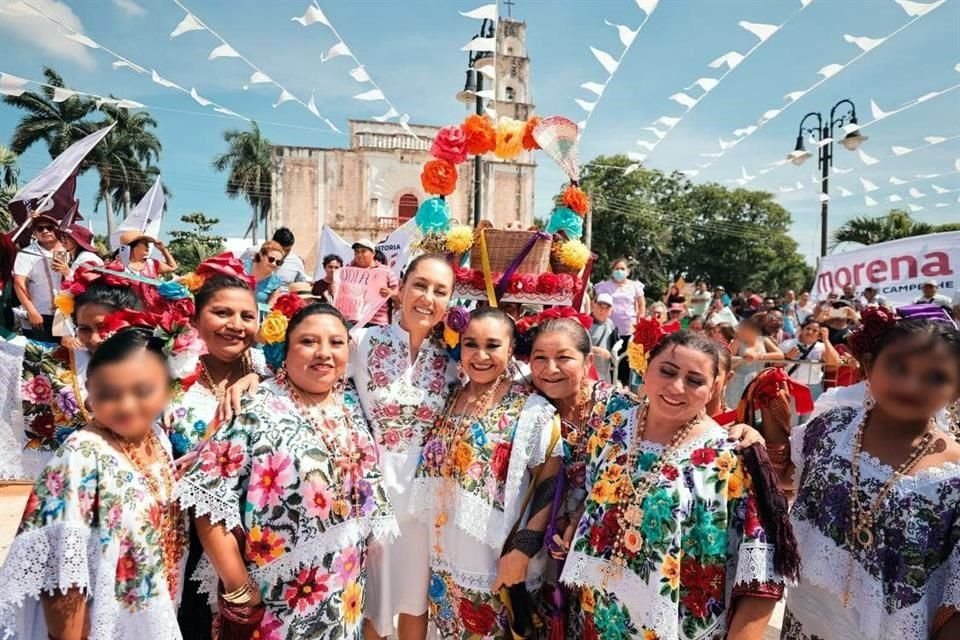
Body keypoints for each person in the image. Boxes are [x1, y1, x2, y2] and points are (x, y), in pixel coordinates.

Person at [175, 303, 396, 640]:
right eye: (308, 341)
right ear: (285, 349)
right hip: (274, 599)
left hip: (345, 592)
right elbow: (207, 503)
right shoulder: (254, 409)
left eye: (336, 343)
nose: (324, 353)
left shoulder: (350, 401)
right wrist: (239, 589)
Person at [561, 331, 791, 639]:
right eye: (667, 371)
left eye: (695, 381)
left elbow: (760, 577)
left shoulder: (730, 458)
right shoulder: (611, 429)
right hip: (596, 619)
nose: (676, 387)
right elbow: (593, 497)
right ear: (645, 369)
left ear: (713, 389)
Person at [782, 309, 960, 639]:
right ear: (868, 365)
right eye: (898, 367)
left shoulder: (954, 479)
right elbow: (788, 479)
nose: (911, 384)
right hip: (804, 621)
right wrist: (751, 441)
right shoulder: (829, 430)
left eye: (935, 376)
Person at [0, 327, 188, 639]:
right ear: (90, 387)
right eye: (110, 391)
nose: (126, 405)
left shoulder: (156, 437)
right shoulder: (80, 457)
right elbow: (62, 573)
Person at [411, 307, 562, 639]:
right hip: (443, 561)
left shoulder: (531, 411)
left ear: (510, 350)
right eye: (471, 344)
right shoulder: (449, 398)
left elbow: (550, 483)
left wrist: (522, 550)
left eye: (492, 345)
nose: (480, 356)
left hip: (496, 568)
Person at [351, 254, 456, 640]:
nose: (428, 298)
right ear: (400, 287)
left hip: (425, 501)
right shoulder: (361, 342)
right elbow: (311, 368)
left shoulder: (451, 361)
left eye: (440, 291)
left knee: (416, 600)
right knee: (370, 599)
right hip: (369, 495)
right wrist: (247, 379)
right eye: (420, 285)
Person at [594, 258, 646, 387]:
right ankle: (608, 384)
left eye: (622, 269)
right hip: (609, 329)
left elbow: (641, 303)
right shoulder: (604, 286)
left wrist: (641, 319)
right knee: (609, 358)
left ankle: (626, 386)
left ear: (628, 271)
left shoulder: (634, 286)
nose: (619, 271)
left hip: (629, 329)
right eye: (617, 269)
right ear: (612, 271)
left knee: (626, 361)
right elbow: (595, 302)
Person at [13, 214, 64, 342]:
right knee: (42, 356)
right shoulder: (27, 254)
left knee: (65, 356)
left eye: (49, 227)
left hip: (65, 314)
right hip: (39, 314)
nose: (45, 231)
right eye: (40, 229)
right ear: (34, 233)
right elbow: (19, 283)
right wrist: (31, 311)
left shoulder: (68, 250)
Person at [726, 317, 783, 407]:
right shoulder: (738, 342)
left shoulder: (764, 340)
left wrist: (760, 356)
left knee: (754, 410)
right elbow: (728, 360)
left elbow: (780, 354)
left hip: (757, 380)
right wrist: (743, 359)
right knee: (736, 408)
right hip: (738, 382)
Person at [780, 318, 839, 404]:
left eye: (815, 330)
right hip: (791, 386)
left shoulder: (822, 347)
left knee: (810, 417)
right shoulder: (787, 344)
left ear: (819, 335)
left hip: (813, 388)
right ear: (802, 329)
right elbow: (773, 364)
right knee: (790, 417)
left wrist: (826, 340)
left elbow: (835, 361)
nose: (810, 332)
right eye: (808, 328)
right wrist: (786, 357)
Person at [350, 239, 398, 328]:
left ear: (373, 253)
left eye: (363, 251)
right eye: (357, 252)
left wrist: (390, 293)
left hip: (378, 324)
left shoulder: (385, 270)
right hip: (354, 324)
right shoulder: (349, 271)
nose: (359, 255)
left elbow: (399, 293)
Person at [243, 240, 285, 305]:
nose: (274, 264)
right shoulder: (242, 267)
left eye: (278, 262)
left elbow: (270, 308)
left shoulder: (276, 283)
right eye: (271, 259)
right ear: (261, 255)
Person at [589, 293, 618, 384]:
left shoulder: (611, 324)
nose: (602, 310)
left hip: (605, 373)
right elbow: (576, 346)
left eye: (607, 307)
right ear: (593, 305)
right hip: (588, 372)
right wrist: (597, 350)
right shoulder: (584, 322)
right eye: (600, 305)